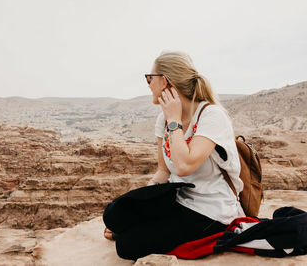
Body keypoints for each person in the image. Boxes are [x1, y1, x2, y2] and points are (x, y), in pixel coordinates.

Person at [103, 51, 245, 260]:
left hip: (212, 210)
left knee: (126, 246)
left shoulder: (211, 116)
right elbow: (164, 170)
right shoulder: (163, 119)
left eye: (150, 78)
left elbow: (184, 166)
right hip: (178, 199)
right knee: (113, 214)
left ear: (165, 81)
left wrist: (174, 120)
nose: (148, 84)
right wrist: (142, 202)